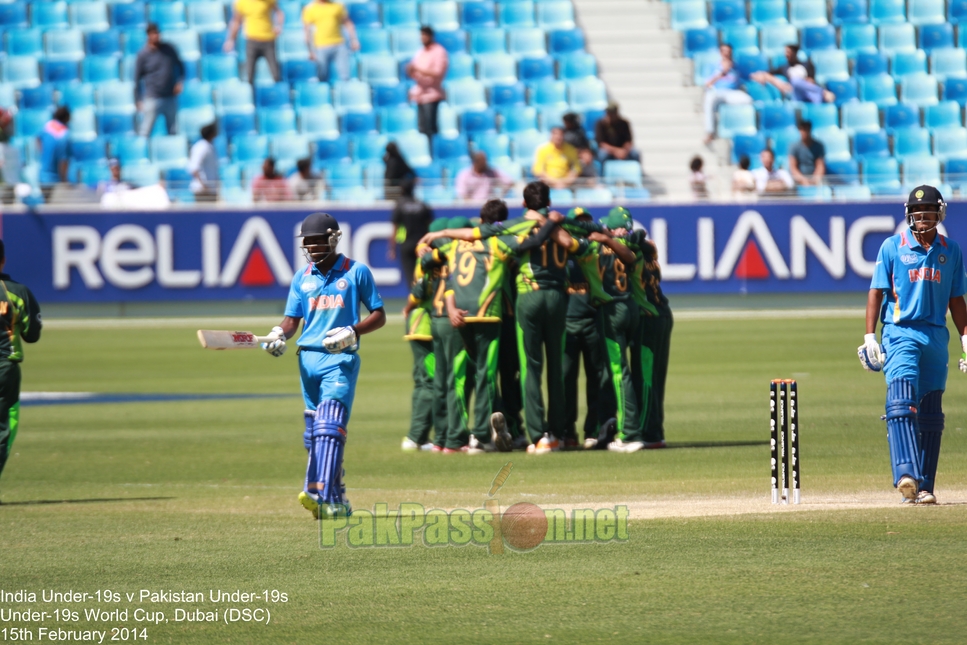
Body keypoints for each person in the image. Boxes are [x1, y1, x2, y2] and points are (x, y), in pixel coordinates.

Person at [261, 212, 386, 519]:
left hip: (339, 359)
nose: (313, 247)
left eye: (318, 240)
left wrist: (353, 331)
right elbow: (292, 320)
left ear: (333, 239)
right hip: (307, 361)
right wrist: (279, 333)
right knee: (314, 434)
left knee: (329, 427)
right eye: (308, 242)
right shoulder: (302, 278)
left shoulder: (356, 272)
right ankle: (336, 499)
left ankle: (316, 490)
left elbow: (379, 315)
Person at [860, 185, 967, 505]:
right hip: (900, 331)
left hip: (936, 336)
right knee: (901, 399)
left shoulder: (951, 250)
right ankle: (906, 474)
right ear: (909, 216)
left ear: (939, 214)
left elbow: (957, 299)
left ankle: (924, 487)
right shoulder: (892, 247)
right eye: (917, 214)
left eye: (928, 213)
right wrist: (870, 336)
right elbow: (876, 292)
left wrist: (966, 338)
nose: (922, 219)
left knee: (931, 412)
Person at [441, 199, 567, 454]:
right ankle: (492, 431)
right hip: (497, 314)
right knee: (502, 375)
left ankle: (473, 432)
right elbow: (531, 243)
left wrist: (436, 236)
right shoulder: (500, 240)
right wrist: (549, 222)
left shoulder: (457, 244)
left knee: (478, 373)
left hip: (462, 314)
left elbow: (448, 276)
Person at [562, 208, 612, 449]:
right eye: (578, 223)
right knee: (566, 380)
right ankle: (567, 432)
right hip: (567, 322)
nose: (583, 228)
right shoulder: (563, 246)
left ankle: (593, 429)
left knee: (597, 379)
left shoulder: (598, 248)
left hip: (593, 320)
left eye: (587, 223)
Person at [0, 239, 43, 497]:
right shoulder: (16, 291)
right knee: (3, 428)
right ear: (3, 260)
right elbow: (32, 334)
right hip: (5, 368)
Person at [134, 23, 185, 137]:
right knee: (145, 131)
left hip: (169, 96)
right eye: (153, 34)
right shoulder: (143, 55)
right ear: (148, 35)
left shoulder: (169, 49)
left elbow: (180, 66)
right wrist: (137, 99)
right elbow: (137, 78)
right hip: (152, 97)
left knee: (173, 131)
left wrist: (180, 82)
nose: (157, 36)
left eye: (157, 33)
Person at [702, 44, 752, 146]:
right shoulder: (714, 66)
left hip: (732, 92)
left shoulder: (736, 67)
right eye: (724, 51)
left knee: (748, 100)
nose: (727, 54)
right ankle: (710, 132)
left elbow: (747, 77)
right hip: (717, 91)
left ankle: (742, 127)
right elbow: (707, 84)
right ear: (720, 53)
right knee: (708, 98)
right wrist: (722, 72)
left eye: (728, 52)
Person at [226, 0, 283, 84]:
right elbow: (236, 21)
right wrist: (230, 40)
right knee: (250, 75)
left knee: (275, 74)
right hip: (252, 41)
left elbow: (279, 12)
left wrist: (279, 26)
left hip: (268, 40)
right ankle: (251, 96)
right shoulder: (242, 2)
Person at [406, 26, 448, 140]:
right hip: (420, 95)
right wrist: (410, 70)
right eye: (421, 35)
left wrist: (418, 69)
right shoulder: (420, 52)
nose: (422, 38)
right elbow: (414, 72)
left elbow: (438, 72)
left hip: (432, 95)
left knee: (430, 129)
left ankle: (433, 153)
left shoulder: (439, 51)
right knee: (422, 129)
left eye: (424, 35)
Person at [389, 178, 433, 284]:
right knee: (423, 271)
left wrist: (392, 248)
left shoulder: (400, 206)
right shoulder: (423, 205)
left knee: (410, 276)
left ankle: (414, 295)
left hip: (406, 244)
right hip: (421, 244)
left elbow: (395, 228)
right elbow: (430, 226)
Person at [302, 0, 359, 83]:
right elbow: (307, 31)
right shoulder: (310, 8)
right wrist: (310, 51)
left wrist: (354, 40)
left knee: (345, 76)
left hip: (339, 44)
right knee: (322, 76)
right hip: (321, 46)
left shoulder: (337, 6)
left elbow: (348, 24)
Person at [38, 106, 71, 186]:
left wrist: (44, 153)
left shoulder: (47, 126)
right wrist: (64, 180)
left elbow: (38, 138)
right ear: (67, 118)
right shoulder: (64, 134)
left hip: (42, 175)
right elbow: (63, 160)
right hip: (55, 179)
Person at [187, 122, 219, 202]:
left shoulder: (208, 146)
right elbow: (194, 168)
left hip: (210, 188)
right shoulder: (201, 147)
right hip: (203, 190)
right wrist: (204, 185)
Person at [788, 120, 825, 186]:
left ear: (810, 130)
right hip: (798, 179)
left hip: (814, 178)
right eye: (802, 129)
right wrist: (803, 180)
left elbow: (820, 165)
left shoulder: (819, 146)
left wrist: (815, 179)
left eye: (806, 129)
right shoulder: (794, 147)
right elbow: (793, 167)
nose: (804, 132)